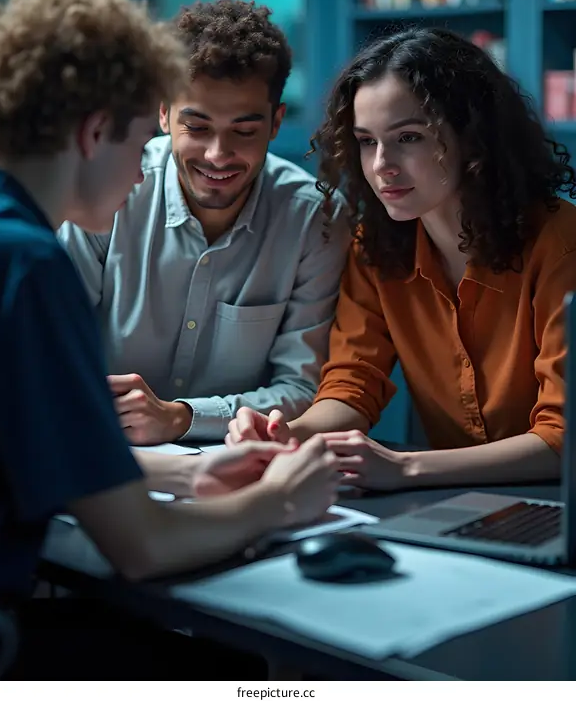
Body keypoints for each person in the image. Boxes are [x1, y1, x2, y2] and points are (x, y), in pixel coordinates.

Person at [0, 0, 338, 678]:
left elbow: (27, 450)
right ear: (94, 133)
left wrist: (182, 460)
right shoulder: (25, 263)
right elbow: (142, 546)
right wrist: (279, 499)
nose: (148, 174)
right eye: (154, 134)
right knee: (244, 680)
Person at [227, 26, 576, 491]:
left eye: (408, 137)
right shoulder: (376, 246)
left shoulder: (559, 243)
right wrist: (286, 436)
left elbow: (562, 440)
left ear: (473, 138)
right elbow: (353, 382)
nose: (381, 164)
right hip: (459, 499)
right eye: (367, 141)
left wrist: (405, 468)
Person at [58, 0, 349, 445]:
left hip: (239, 460)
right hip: (97, 447)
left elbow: (304, 390)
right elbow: (48, 349)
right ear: (162, 114)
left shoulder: (315, 220)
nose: (218, 154)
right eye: (196, 127)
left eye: (244, 131)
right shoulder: (110, 192)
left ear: (275, 123)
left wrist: (182, 418)